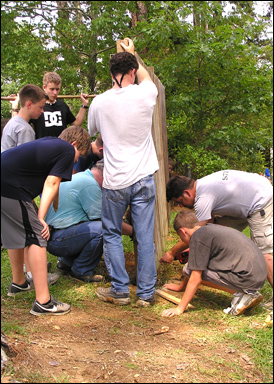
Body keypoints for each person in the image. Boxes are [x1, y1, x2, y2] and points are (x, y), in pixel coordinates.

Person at [88, 37, 159, 307]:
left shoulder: (99, 102)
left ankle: (119, 290)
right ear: (132, 72)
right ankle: (146, 294)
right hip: (143, 178)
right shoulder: (145, 93)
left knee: (112, 234)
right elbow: (146, 77)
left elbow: (96, 138)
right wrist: (132, 53)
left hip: (115, 181)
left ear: (110, 74)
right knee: (144, 236)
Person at [1, 125, 91, 316]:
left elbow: (49, 181)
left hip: (6, 184)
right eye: (80, 155)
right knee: (37, 235)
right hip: (10, 187)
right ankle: (44, 302)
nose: (76, 161)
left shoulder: (51, 143)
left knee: (17, 231)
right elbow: (52, 183)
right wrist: (40, 219)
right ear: (74, 144)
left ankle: (19, 283)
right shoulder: (66, 149)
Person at [161, 170, 273, 292]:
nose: (180, 206)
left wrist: (172, 253)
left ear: (187, 193)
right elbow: (207, 233)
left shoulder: (202, 199)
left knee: (264, 253)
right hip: (249, 198)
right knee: (215, 231)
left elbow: (196, 236)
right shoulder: (203, 185)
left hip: (260, 200)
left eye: (180, 201)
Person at [161, 209, 267, 318]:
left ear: (183, 231)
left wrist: (179, 308)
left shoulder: (198, 238)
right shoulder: (208, 230)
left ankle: (242, 294)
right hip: (257, 274)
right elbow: (197, 264)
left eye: (180, 237)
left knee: (188, 270)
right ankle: (246, 291)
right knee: (191, 268)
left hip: (247, 278)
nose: (182, 240)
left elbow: (195, 276)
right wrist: (180, 287)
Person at [11, 72, 90, 139]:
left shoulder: (62, 106)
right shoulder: (36, 107)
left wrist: (84, 105)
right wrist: (14, 107)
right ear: (44, 87)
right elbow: (18, 124)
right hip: (42, 150)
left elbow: (76, 124)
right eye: (52, 89)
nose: (55, 93)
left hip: (61, 148)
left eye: (57, 89)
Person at [1, 84, 46, 153]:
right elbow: (26, 160)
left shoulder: (12, 122)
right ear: (29, 104)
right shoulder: (24, 129)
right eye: (40, 107)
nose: (42, 111)